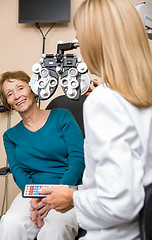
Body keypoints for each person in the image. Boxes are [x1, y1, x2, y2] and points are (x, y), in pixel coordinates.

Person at [31, 0, 152, 239]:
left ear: (97, 40)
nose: (77, 40)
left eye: (80, 34)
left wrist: (73, 199)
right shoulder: (140, 95)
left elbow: (118, 203)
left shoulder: (104, 101)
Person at [0, 70, 85, 240]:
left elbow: (77, 159)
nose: (17, 95)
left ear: (33, 89)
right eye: (10, 93)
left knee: (56, 229)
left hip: (68, 187)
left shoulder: (62, 116)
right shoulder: (10, 136)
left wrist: (58, 194)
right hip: (34, 191)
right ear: (8, 102)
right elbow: (18, 171)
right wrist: (34, 197)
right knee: (10, 224)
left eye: (20, 88)